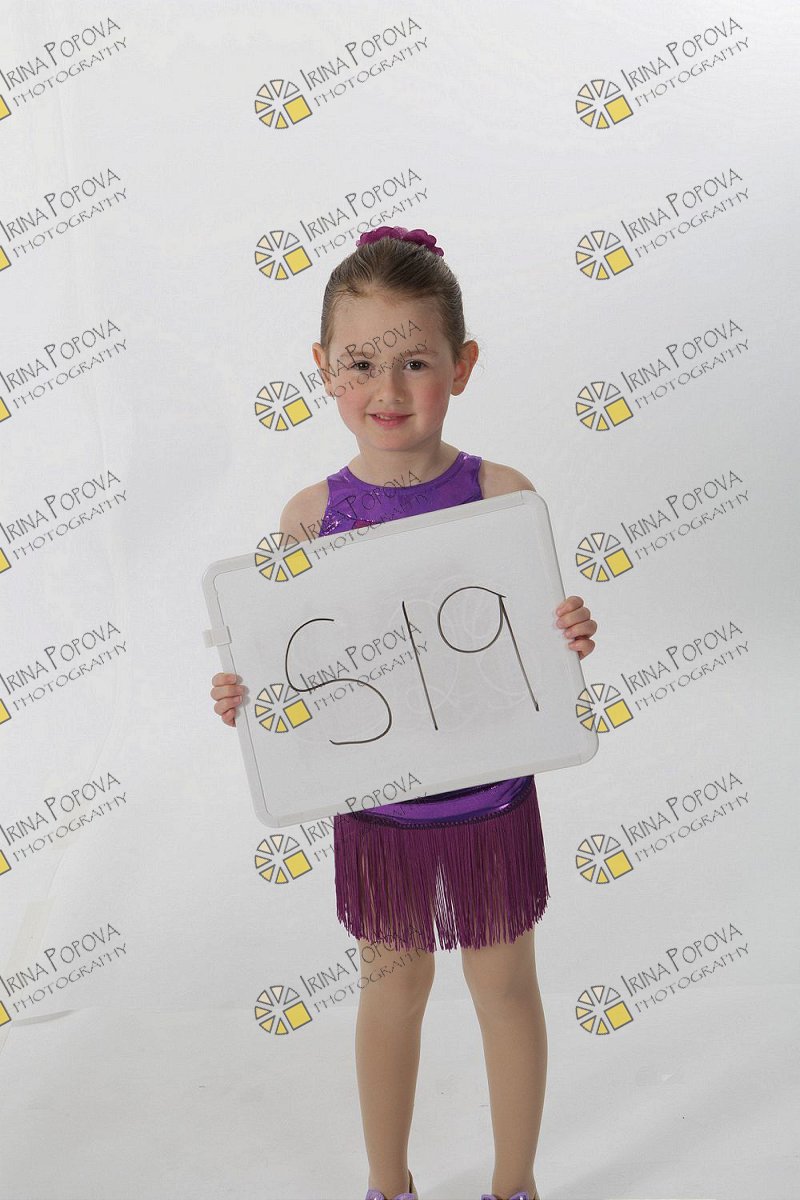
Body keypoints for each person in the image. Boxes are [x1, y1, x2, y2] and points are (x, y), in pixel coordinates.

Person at [209, 226, 598, 1200]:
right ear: (323, 370)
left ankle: (514, 1185)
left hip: (490, 799)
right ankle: (388, 1184)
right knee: (392, 989)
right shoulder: (308, 517)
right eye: (361, 364)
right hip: (379, 805)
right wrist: (247, 697)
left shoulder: (501, 496)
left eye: (415, 361)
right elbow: (291, 660)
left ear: (461, 367)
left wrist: (567, 630)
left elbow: (532, 643)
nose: (387, 387)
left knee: (502, 987)